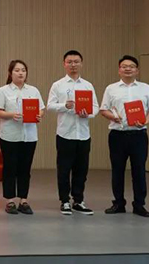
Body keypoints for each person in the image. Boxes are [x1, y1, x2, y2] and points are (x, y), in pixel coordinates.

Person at [100, 55, 149, 218]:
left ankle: (139, 205)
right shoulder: (111, 88)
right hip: (117, 135)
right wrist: (113, 117)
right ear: (119, 70)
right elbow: (103, 109)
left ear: (137, 70)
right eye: (124, 66)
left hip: (138, 135)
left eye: (132, 66)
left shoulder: (146, 88)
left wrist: (145, 121)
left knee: (139, 170)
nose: (128, 69)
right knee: (117, 170)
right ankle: (118, 203)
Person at [47, 50, 99, 215]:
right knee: (64, 169)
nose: (73, 65)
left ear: (81, 64)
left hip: (83, 134)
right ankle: (64, 201)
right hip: (65, 134)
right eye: (69, 62)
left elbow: (96, 107)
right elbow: (50, 106)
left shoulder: (87, 85)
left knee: (81, 169)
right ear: (64, 64)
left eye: (76, 61)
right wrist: (65, 106)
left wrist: (87, 114)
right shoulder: (58, 85)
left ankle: (78, 200)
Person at [0, 60, 45, 215]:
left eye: (23, 70)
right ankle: (9, 200)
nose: (20, 73)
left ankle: (23, 200)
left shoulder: (33, 90)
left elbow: (41, 108)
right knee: (10, 168)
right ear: (10, 73)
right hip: (10, 136)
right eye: (17, 70)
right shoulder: (3, 91)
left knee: (25, 168)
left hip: (29, 136)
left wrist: (39, 115)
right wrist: (11, 115)